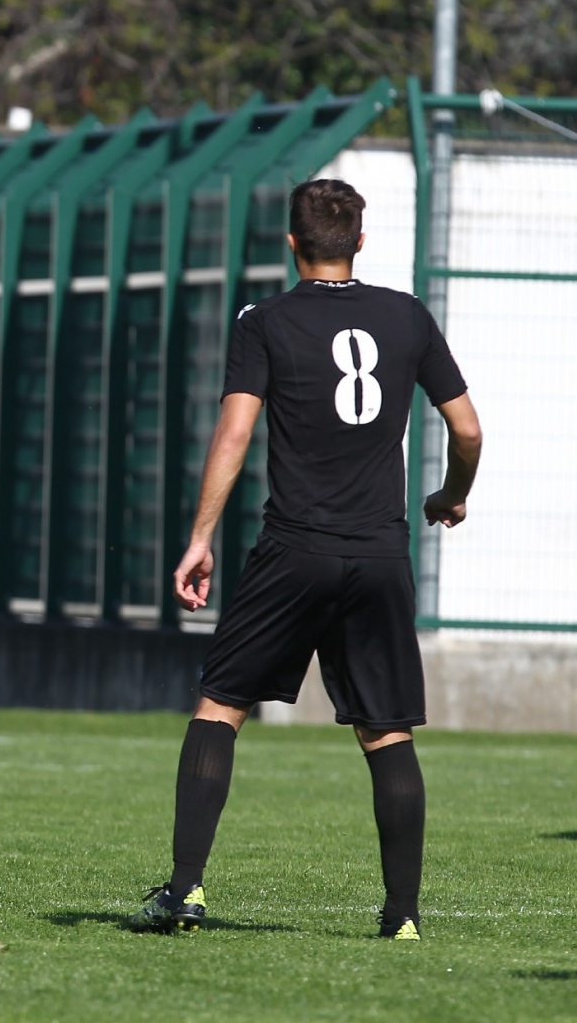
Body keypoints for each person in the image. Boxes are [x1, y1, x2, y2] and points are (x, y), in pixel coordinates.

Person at [126, 179, 482, 940]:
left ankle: (184, 891)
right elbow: (470, 429)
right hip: (380, 551)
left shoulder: (266, 323)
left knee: (221, 702)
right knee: (386, 730)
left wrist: (200, 538)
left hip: (296, 548)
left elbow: (233, 436)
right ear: (360, 240)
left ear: (292, 243)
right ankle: (404, 916)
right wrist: (451, 495)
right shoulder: (406, 316)